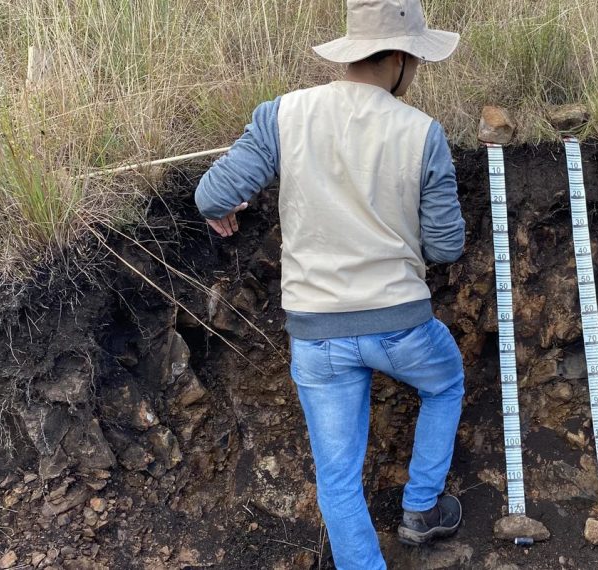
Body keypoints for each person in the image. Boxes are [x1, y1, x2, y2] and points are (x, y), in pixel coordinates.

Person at [193, 1, 467, 568]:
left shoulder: (282, 115)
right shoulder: (423, 133)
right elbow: (445, 247)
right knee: (444, 384)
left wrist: (231, 203)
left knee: (338, 481)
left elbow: (212, 196)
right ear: (396, 57)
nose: (414, 71)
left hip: (316, 335)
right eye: (414, 58)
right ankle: (421, 509)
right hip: (401, 327)